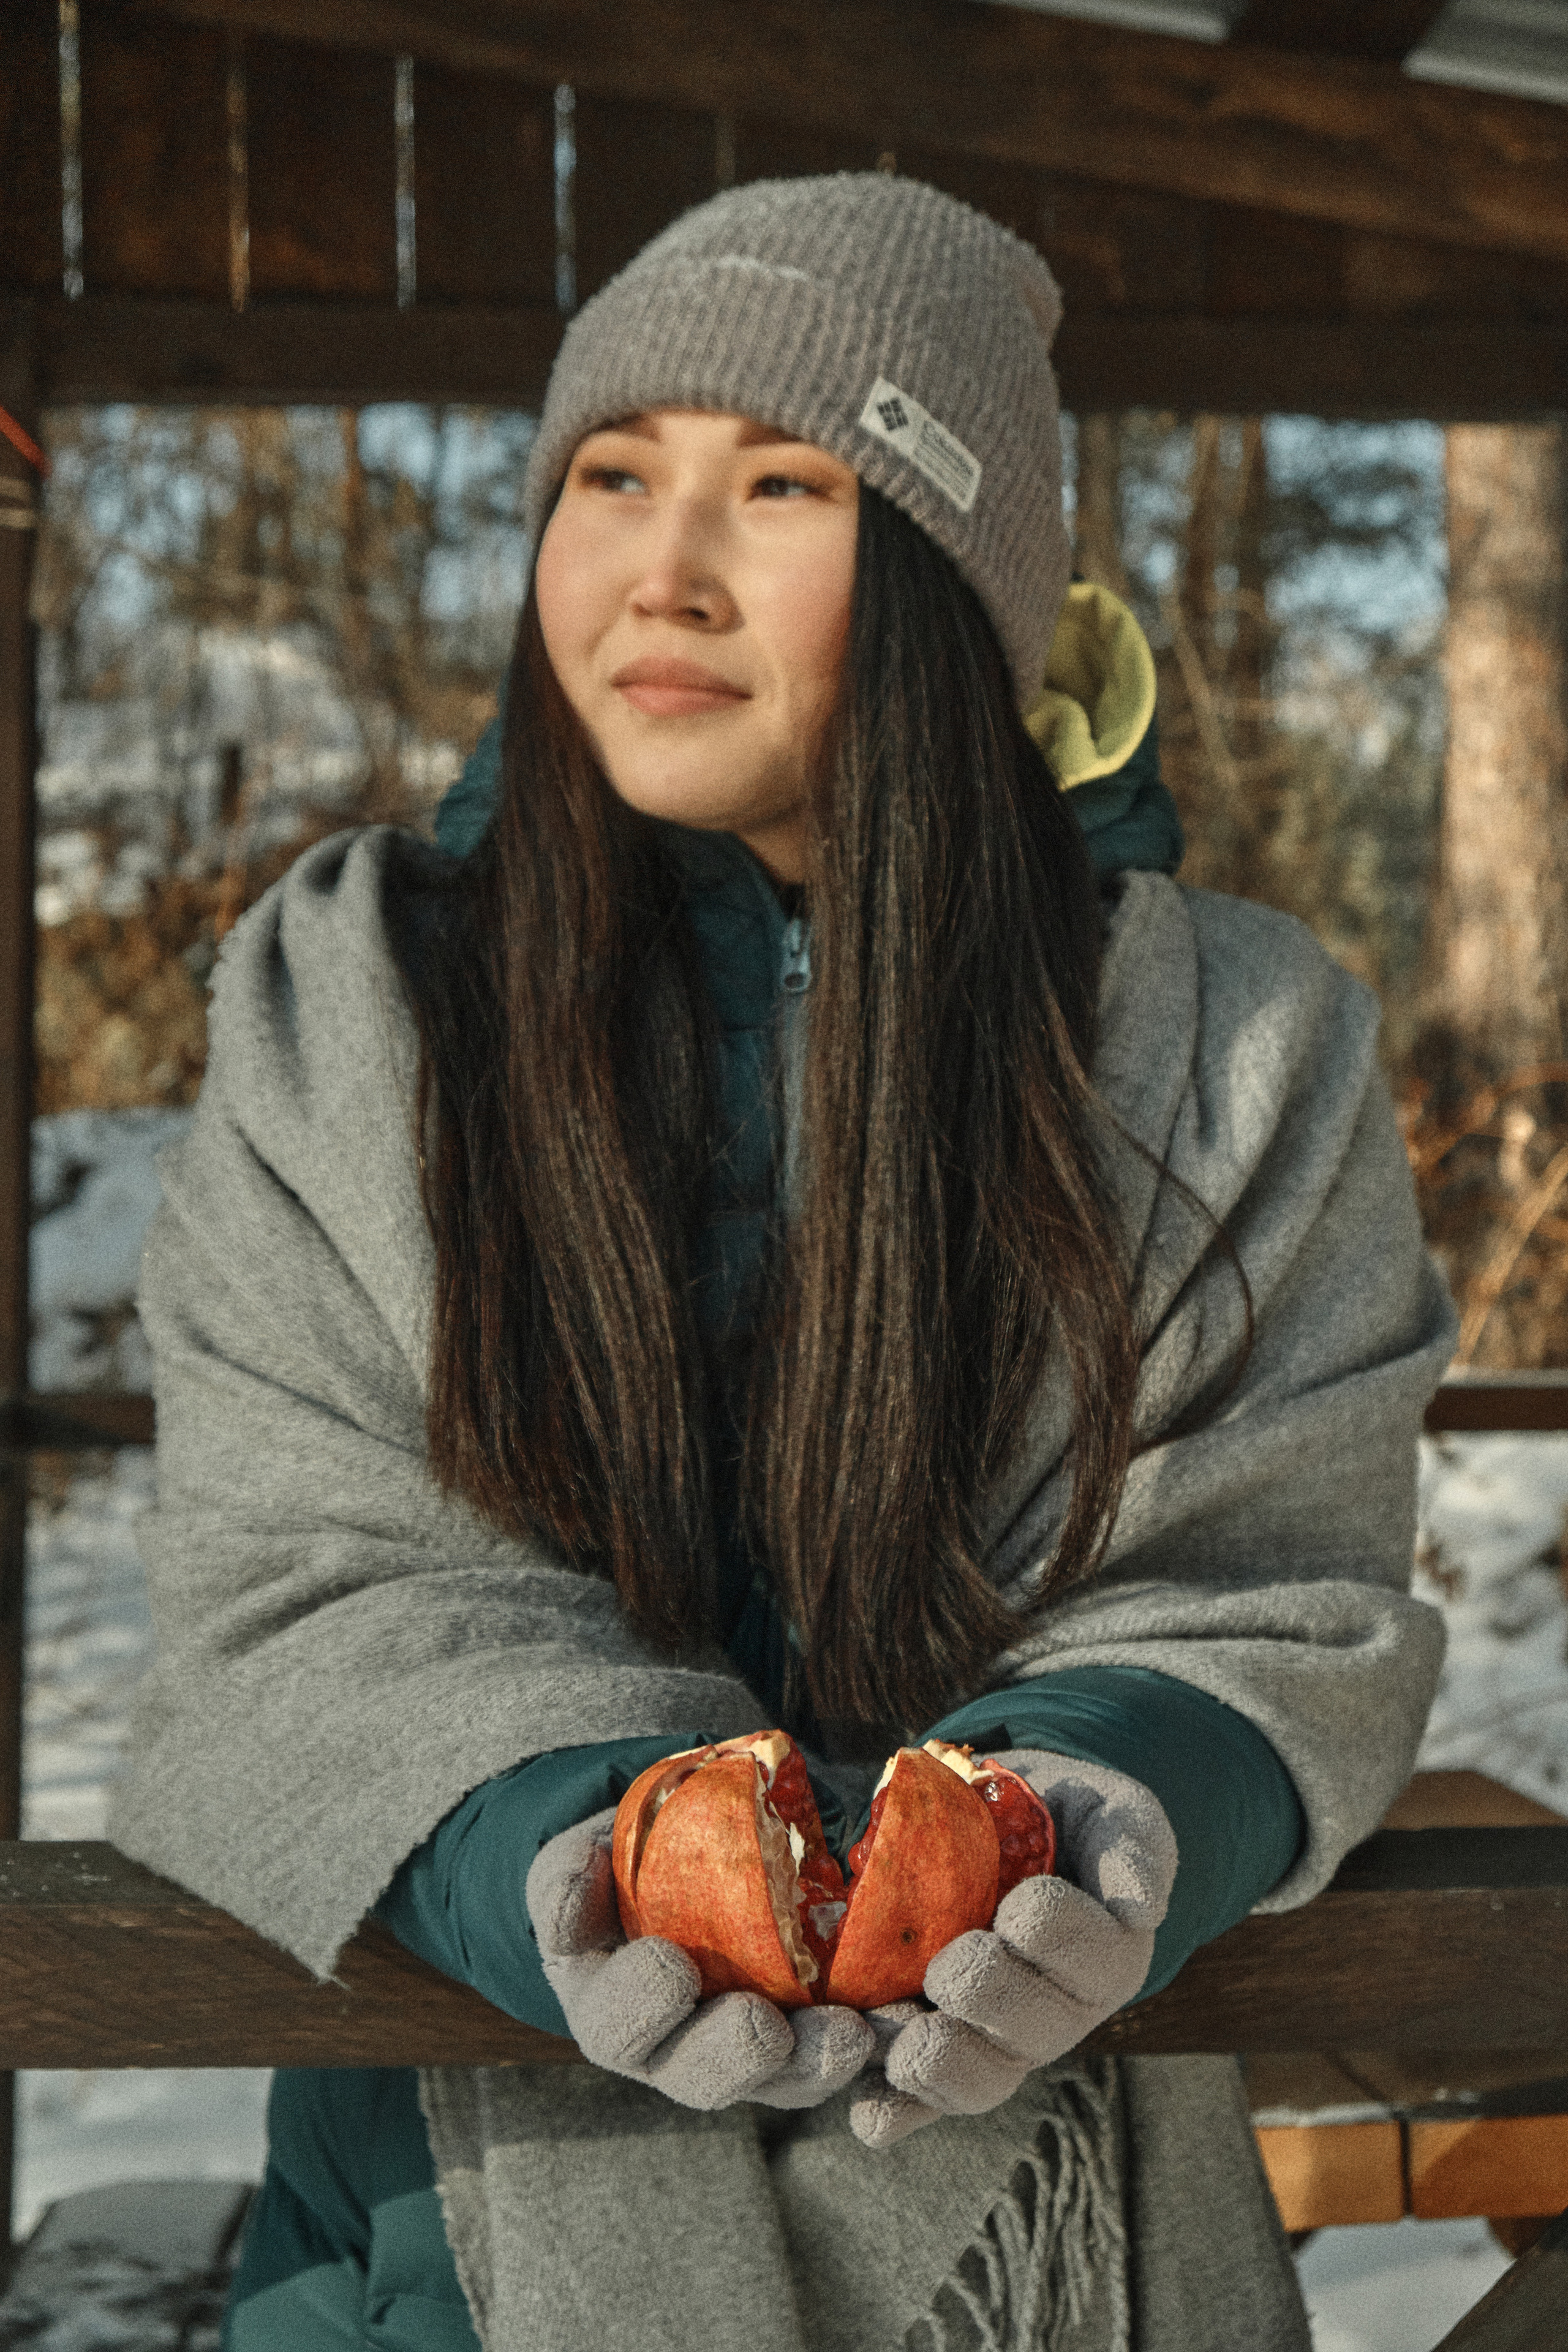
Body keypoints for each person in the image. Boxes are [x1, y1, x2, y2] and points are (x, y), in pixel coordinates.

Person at [112, 175, 1456, 2352]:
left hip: (1059, 2237)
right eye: (611, 476)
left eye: (784, 484)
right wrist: (575, 1840)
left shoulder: (1237, 1042)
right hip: (452, 2245)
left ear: (948, 576)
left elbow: (1280, 1579)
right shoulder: (352, 1014)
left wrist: (1093, 1811)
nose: (664, 565)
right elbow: (303, 1586)